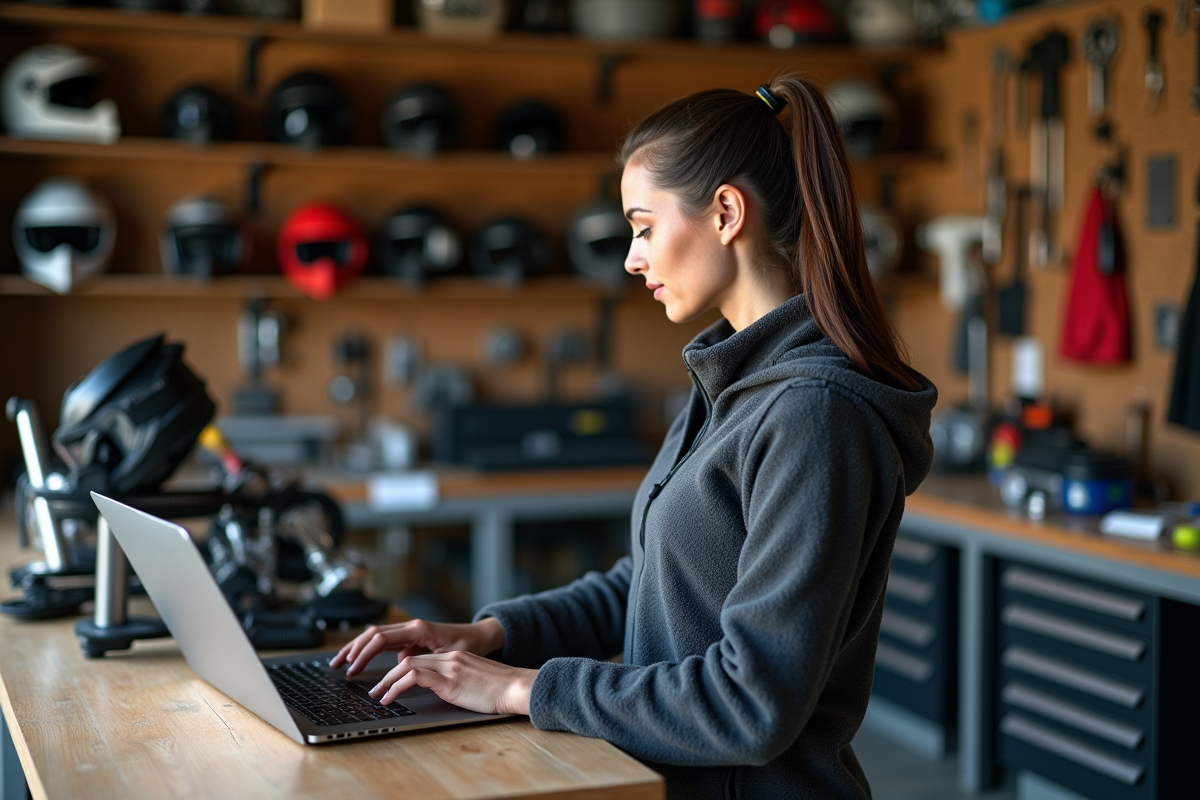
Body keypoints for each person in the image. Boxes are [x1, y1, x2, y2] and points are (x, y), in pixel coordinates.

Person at [331, 76, 937, 799]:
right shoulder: (729, 381)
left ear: (724, 212)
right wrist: (489, 638)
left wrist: (520, 690)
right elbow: (652, 585)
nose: (630, 256)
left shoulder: (813, 414)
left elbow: (752, 704)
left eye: (644, 226)